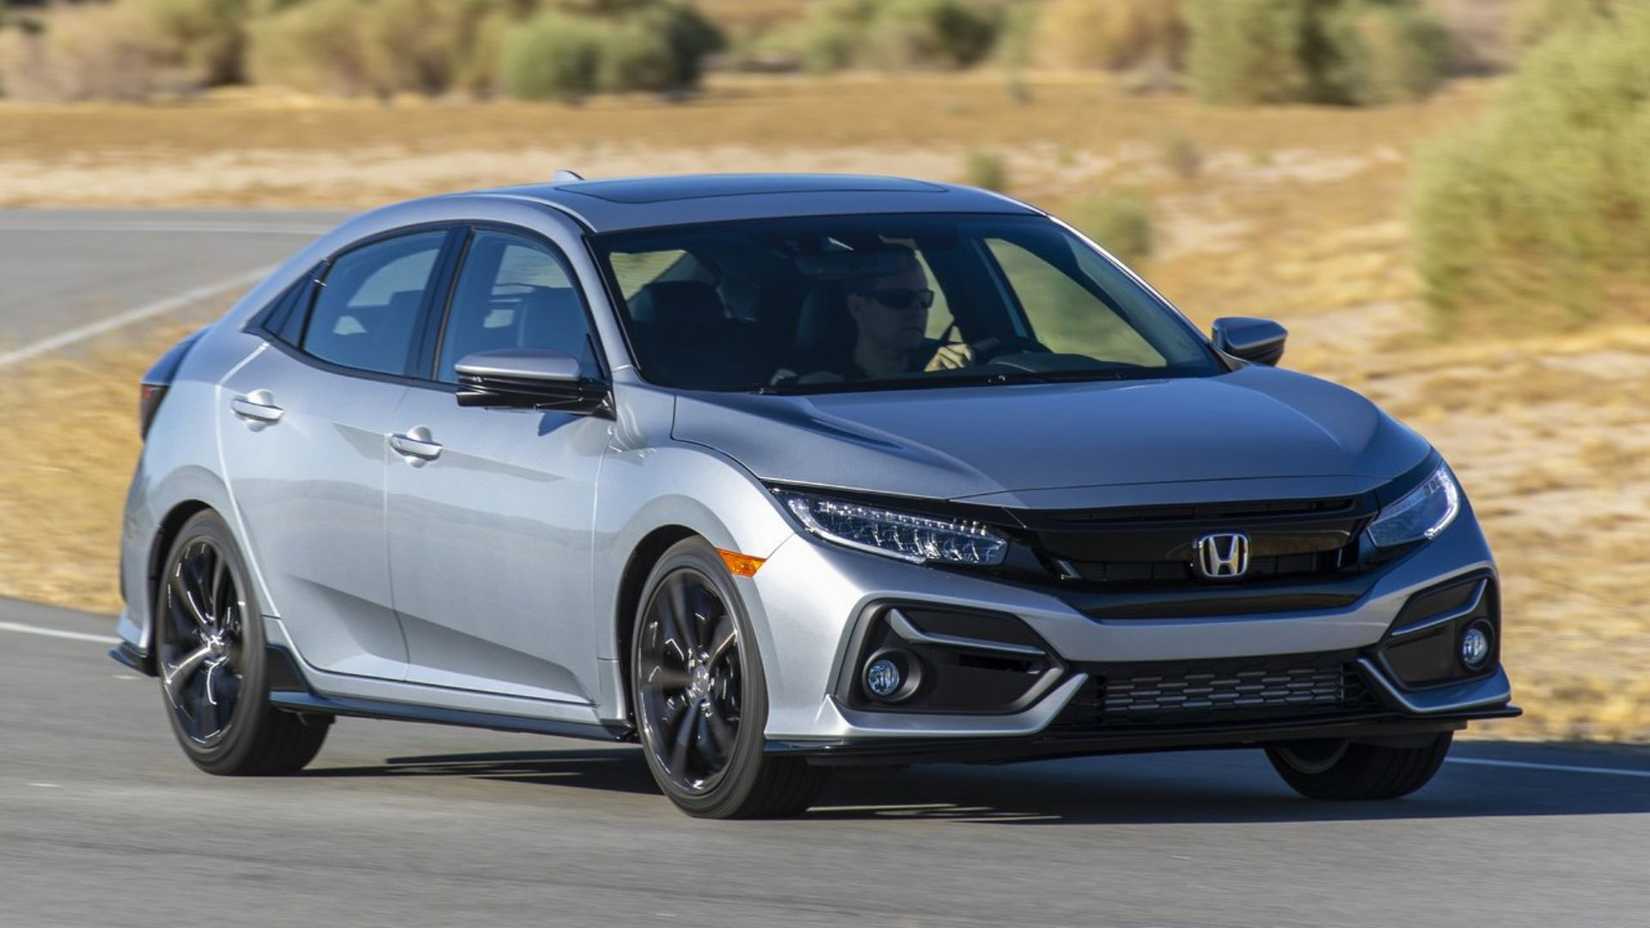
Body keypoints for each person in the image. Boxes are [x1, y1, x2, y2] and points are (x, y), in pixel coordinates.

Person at [784, 246, 937, 384]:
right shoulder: (819, 386)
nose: (917, 310)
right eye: (899, 298)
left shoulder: (942, 372)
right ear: (857, 307)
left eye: (923, 298)